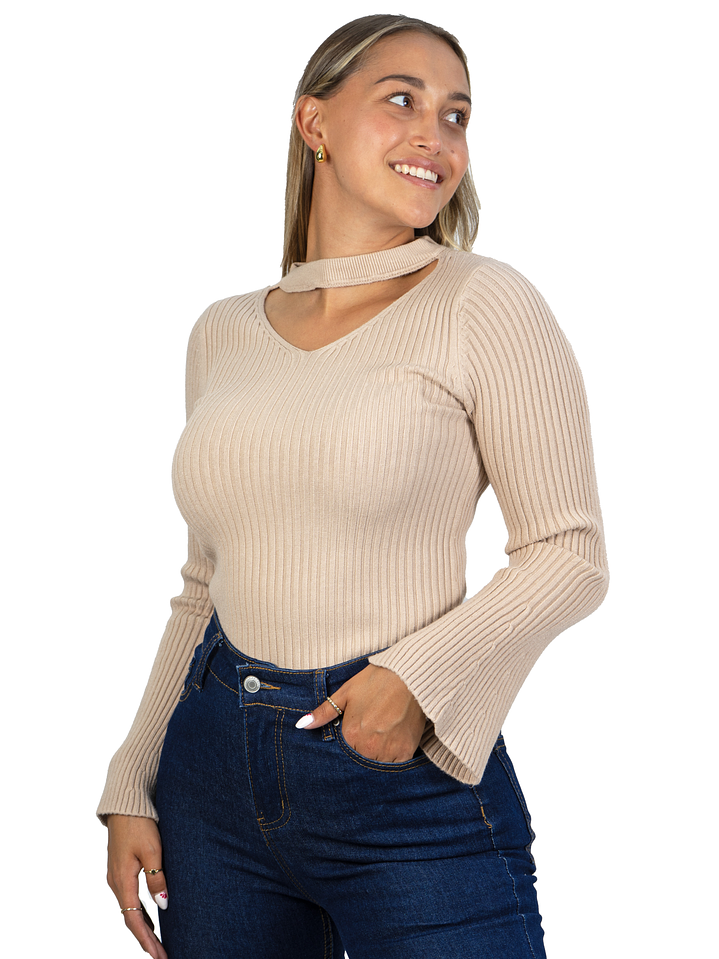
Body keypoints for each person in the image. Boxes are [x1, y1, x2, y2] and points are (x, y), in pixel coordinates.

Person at [99, 14, 608, 959]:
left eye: (456, 115)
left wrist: (414, 678)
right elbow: (205, 582)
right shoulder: (222, 331)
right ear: (315, 122)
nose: (435, 134)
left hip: (402, 777)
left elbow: (567, 553)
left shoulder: (480, 300)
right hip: (209, 781)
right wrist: (133, 774)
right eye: (401, 100)